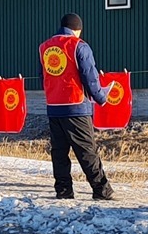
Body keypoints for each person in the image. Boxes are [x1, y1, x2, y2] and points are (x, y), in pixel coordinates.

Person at [39, 13, 114, 201]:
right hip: (76, 105)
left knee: (59, 152)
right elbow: (90, 76)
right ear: (78, 29)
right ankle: (101, 189)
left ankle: (64, 190)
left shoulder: (44, 47)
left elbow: (43, 77)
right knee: (87, 150)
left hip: (53, 105)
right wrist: (101, 97)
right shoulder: (79, 46)